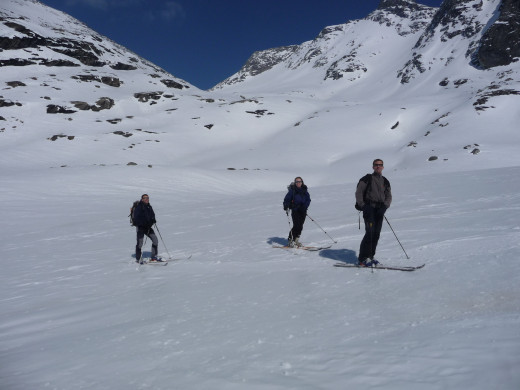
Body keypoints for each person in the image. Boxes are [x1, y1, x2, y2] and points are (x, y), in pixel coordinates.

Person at [355, 159, 392, 266]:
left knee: (376, 234)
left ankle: (371, 256)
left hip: (380, 210)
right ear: (373, 166)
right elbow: (358, 193)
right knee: (370, 233)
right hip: (369, 209)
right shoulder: (366, 179)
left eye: (380, 165)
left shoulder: (385, 181)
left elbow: (389, 195)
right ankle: (362, 258)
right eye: (376, 165)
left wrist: (385, 206)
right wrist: (364, 206)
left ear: (383, 167)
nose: (378, 166)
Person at [283, 177, 311, 247]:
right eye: (297, 182)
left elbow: (308, 200)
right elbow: (287, 199)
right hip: (295, 210)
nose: (298, 183)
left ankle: (296, 240)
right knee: (296, 225)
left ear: (302, 182)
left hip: (303, 210)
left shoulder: (305, 190)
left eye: (300, 181)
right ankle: (291, 240)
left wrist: (304, 207)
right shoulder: (292, 191)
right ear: (295, 183)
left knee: (300, 226)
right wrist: (286, 205)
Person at [132, 194, 160, 263]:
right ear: (142, 199)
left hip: (148, 227)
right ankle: (138, 259)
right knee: (140, 243)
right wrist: (144, 223)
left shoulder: (149, 207)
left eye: (148, 198)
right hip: (140, 228)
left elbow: (152, 215)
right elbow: (137, 218)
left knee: (155, 240)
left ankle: (154, 256)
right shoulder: (139, 207)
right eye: (145, 198)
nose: (147, 199)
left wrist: (153, 220)